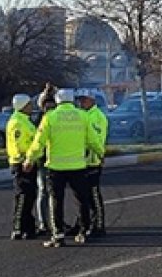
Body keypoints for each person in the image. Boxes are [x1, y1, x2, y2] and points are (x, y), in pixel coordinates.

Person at [24, 88, 104, 248]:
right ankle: (83, 232)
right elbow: (93, 140)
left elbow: (39, 142)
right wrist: (100, 154)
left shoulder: (50, 117)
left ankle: (58, 235)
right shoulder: (82, 116)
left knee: (56, 201)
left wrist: (29, 159)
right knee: (81, 200)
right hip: (78, 166)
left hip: (56, 167)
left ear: (58, 100)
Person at [75, 89, 109, 238]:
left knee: (94, 195)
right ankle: (82, 223)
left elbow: (96, 139)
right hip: (81, 162)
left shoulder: (97, 117)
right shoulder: (83, 115)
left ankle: (99, 225)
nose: (81, 103)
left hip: (92, 161)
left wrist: (98, 154)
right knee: (83, 196)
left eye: (84, 100)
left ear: (92, 101)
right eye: (80, 100)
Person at [5, 94, 39, 240]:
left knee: (29, 196)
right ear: (23, 106)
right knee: (23, 197)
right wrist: (27, 158)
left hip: (28, 162)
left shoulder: (25, 120)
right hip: (22, 164)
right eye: (29, 104)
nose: (31, 106)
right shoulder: (18, 122)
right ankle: (18, 227)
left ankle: (29, 227)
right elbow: (19, 145)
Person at [32, 84, 58, 235]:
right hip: (43, 161)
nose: (49, 107)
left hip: (56, 161)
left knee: (54, 193)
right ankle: (44, 223)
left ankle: (54, 220)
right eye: (47, 105)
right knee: (43, 192)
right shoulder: (40, 120)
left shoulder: (56, 119)